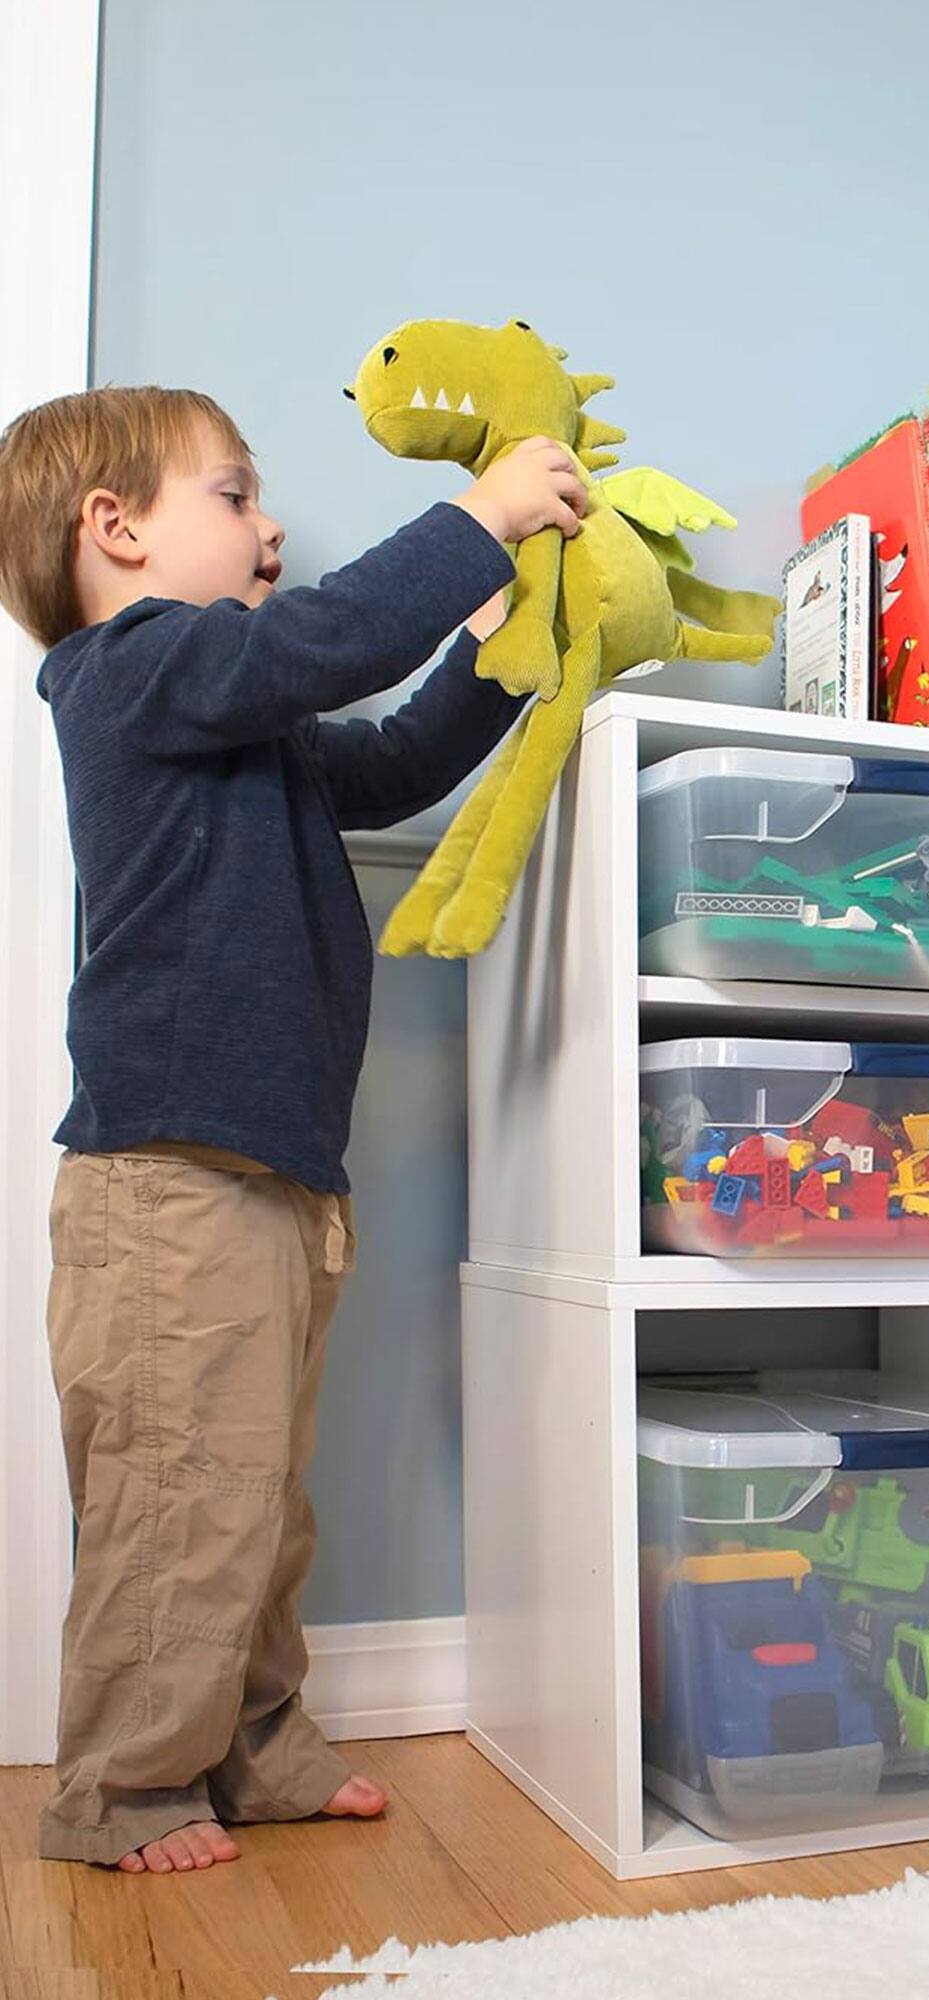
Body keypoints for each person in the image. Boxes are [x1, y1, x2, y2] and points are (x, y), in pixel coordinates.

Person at [0, 384, 586, 1874]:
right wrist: (477, 519)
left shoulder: (249, 736)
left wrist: (494, 659)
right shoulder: (127, 673)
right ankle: (124, 1791)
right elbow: (318, 641)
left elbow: (383, 762)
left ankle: (253, 1745)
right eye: (237, 498)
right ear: (115, 533)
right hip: (171, 1177)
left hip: (271, 1169)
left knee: (254, 1498)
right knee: (178, 1500)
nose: (269, 532)